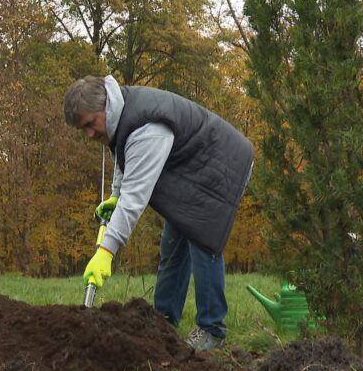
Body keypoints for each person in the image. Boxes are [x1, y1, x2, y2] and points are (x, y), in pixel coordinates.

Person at [63, 75, 254, 350]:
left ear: (105, 106)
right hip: (194, 169)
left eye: (91, 124)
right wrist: (115, 195)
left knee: (203, 240)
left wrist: (106, 252)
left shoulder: (147, 128)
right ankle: (164, 321)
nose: (89, 134)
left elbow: (135, 198)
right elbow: (122, 154)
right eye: (84, 129)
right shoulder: (121, 113)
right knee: (172, 245)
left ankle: (212, 328)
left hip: (222, 165)